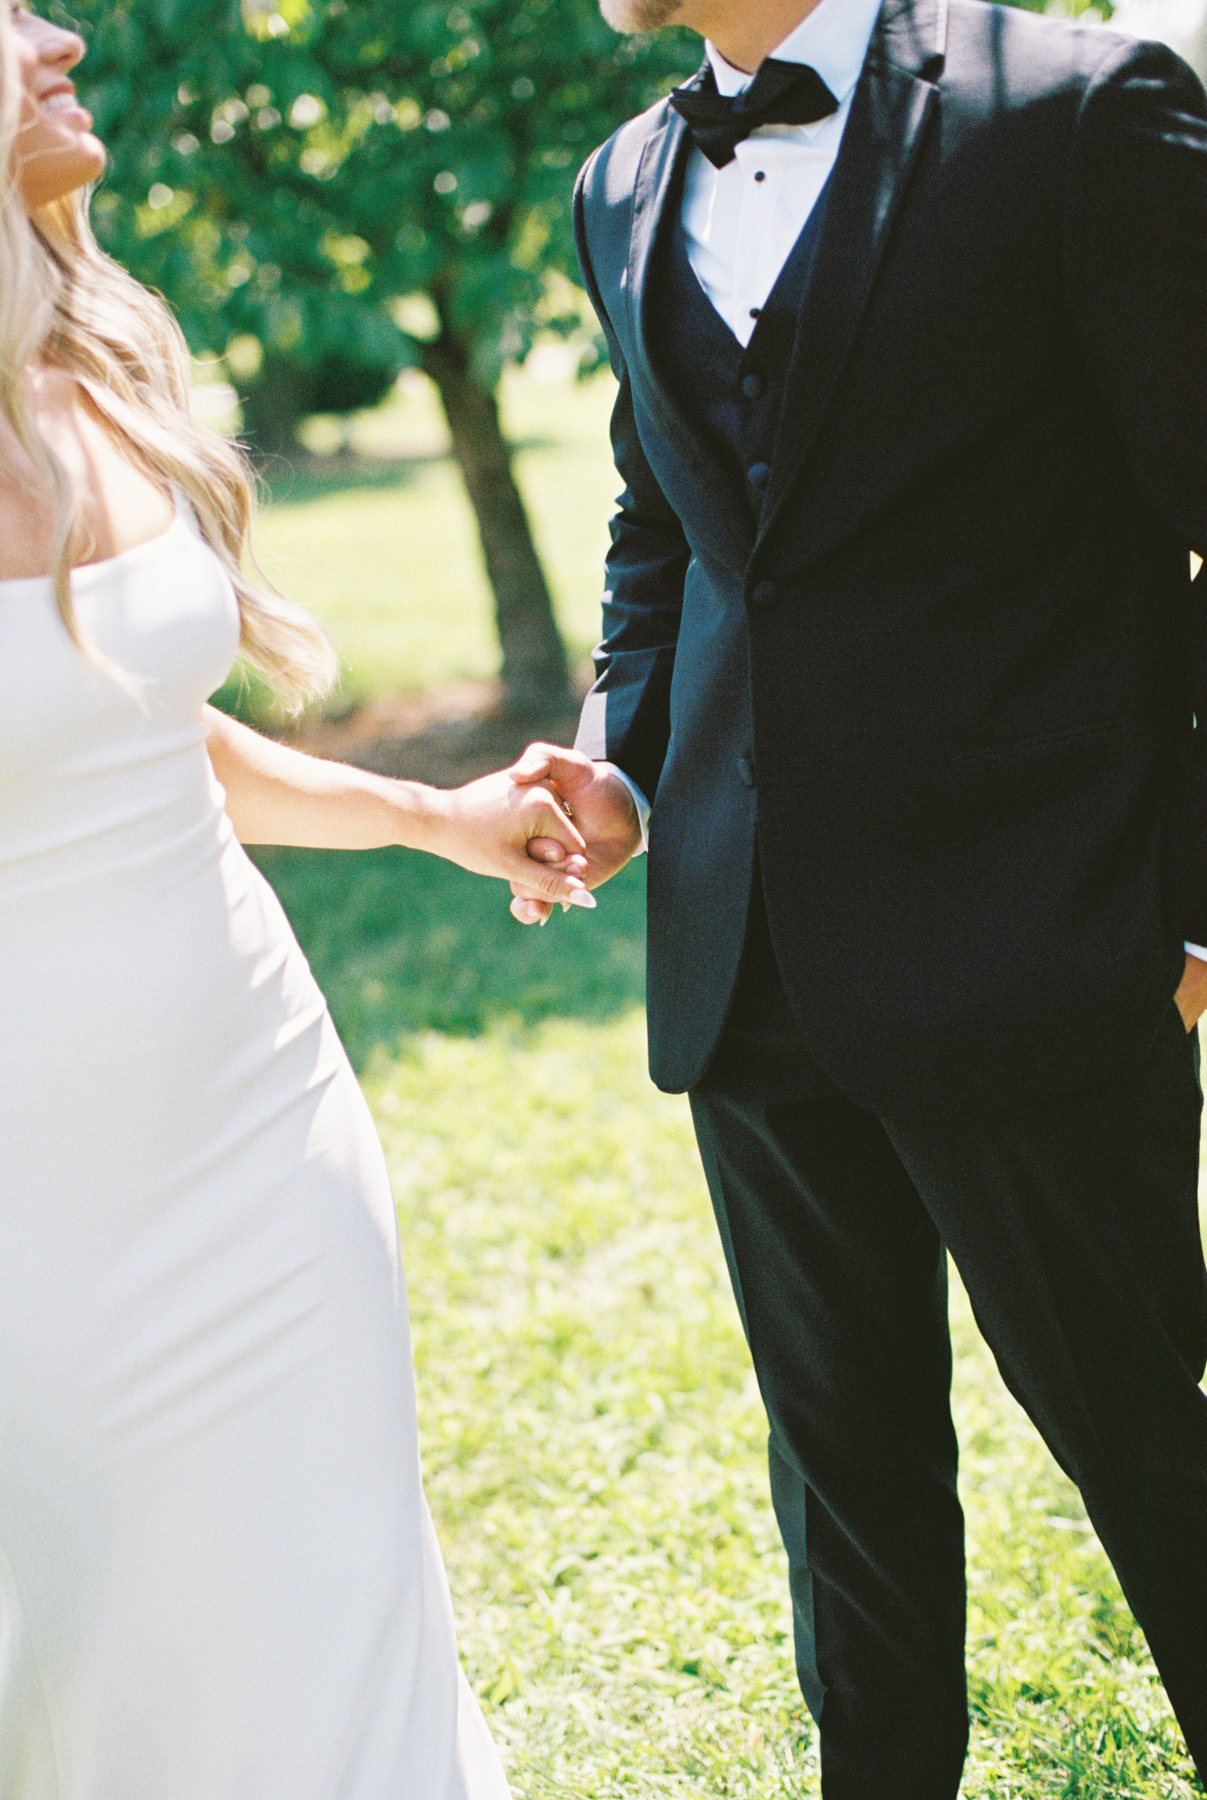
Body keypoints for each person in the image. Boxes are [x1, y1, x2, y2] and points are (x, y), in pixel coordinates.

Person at [507, 0, 1207, 1788]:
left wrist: (1191, 908)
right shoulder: (619, 182)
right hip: (747, 963)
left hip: (1044, 937)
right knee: (847, 1491)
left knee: (1156, 1451)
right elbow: (657, 523)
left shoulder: (1074, 109)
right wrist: (619, 751)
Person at [0, 9, 598, 1797]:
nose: (62, 33)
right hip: (35, 1191)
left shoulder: (94, 361)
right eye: (7, 11)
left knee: (327, 1611)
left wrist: (439, 816)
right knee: (81, 1651)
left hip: (262, 1122)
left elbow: (163, 750)